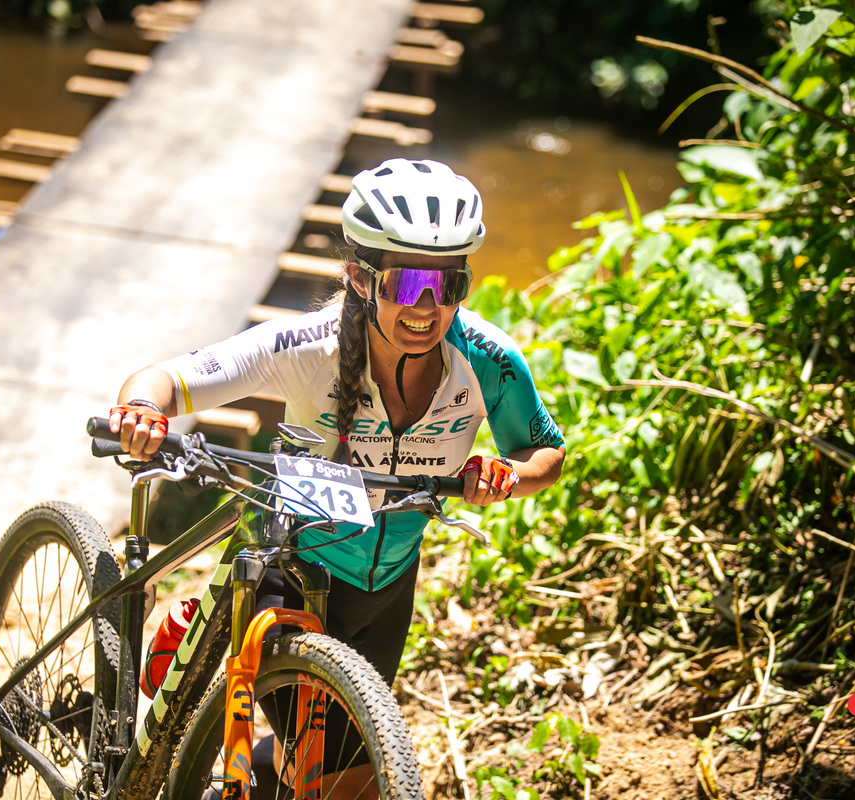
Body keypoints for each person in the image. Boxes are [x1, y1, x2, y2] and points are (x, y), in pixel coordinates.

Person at [108, 157, 565, 798]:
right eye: (408, 283)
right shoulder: (307, 346)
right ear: (359, 277)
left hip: (387, 588)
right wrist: (141, 410)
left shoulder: (489, 359)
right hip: (290, 572)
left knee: (336, 778)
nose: (428, 306)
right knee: (336, 780)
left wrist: (506, 474)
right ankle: (197, 639)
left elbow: (545, 454)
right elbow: (168, 378)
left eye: (449, 284)